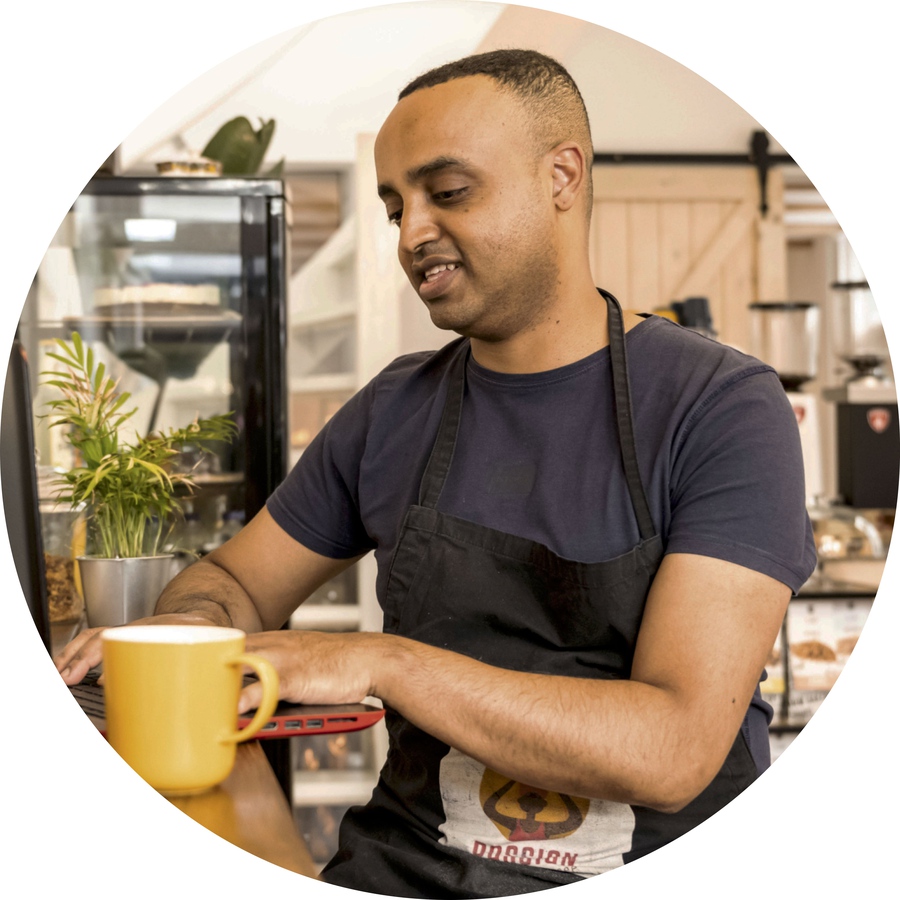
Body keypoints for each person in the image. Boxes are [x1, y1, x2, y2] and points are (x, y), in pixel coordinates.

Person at [57, 49, 816, 897]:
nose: (413, 231)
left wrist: (383, 663)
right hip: (407, 870)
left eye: (447, 192)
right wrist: (191, 632)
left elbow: (673, 748)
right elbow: (235, 579)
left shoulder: (721, 406)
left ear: (562, 176)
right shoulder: (394, 409)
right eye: (395, 208)